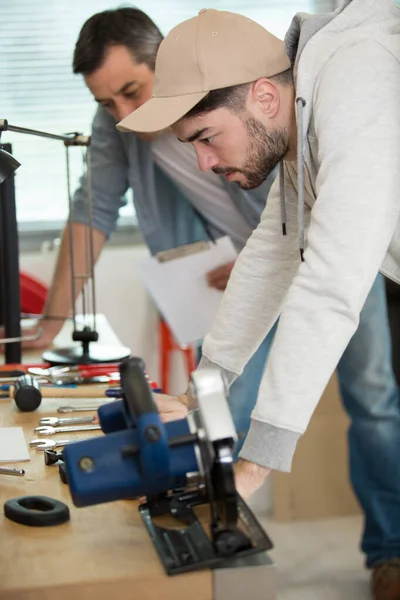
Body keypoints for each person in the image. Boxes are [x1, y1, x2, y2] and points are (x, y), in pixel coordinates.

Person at [118, 4, 400, 600]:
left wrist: (254, 465)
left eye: (206, 137)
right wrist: (206, 387)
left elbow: (329, 283)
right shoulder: (303, 115)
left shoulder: (356, 79)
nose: (204, 162)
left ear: (264, 98)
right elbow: (269, 259)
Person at [24, 7, 276, 440]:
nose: (122, 114)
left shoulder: (223, 91)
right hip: (221, 287)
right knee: (219, 417)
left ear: (165, 62)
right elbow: (92, 210)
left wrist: (266, 259)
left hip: (306, 252)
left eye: (131, 91)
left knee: (371, 395)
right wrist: (51, 323)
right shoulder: (115, 123)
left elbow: (306, 187)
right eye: (106, 103)